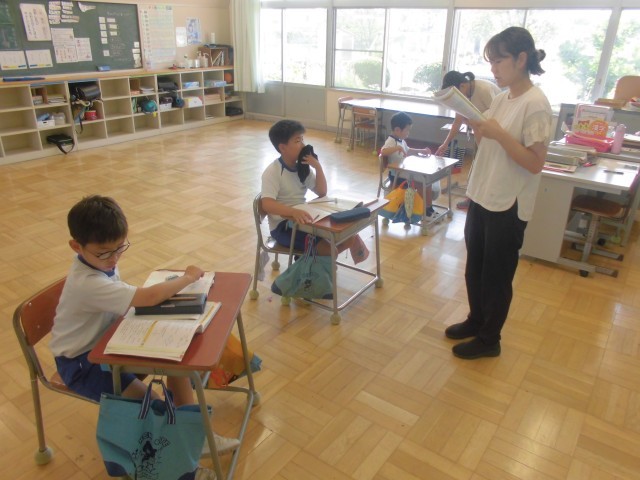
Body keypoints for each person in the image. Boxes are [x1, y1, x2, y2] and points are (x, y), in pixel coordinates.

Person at [49, 195, 239, 465]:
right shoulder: (86, 282)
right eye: (104, 252)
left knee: (175, 360)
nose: (114, 258)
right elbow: (148, 297)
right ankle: (178, 459)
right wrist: (187, 278)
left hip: (107, 343)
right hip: (82, 364)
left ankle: (195, 435)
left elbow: (131, 297)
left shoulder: (98, 262)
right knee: (151, 405)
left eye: (119, 248)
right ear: (76, 246)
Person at [444, 27, 552, 359]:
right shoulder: (502, 98)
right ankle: (477, 320)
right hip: (483, 193)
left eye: (498, 61)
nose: (493, 69)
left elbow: (535, 162)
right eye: (490, 62)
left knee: (496, 274)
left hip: (508, 202)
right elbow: (487, 143)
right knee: (475, 267)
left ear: (521, 59)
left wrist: (499, 134)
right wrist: (478, 127)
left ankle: (490, 339)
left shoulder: (536, 103)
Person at [261, 119, 369, 263]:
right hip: (283, 226)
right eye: (297, 141)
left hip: (303, 220)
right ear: (282, 148)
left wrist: (318, 167)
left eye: (302, 139)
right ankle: (313, 261)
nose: (303, 145)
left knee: (349, 237)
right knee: (330, 250)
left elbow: (321, 191)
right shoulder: (273, 171)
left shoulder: (302, 167)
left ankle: (313, 258)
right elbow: (267, 204)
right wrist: (293, 212)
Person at [435, 71, 502, 210]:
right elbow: (457, 122)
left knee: (488, 166)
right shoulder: (463, 95)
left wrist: (477, 126)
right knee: (478, 164)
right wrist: (445, 143)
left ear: (463, 85)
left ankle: (483, 199)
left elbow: (498, 116)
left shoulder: (484, 89)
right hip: (479, 131)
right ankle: (472, 198)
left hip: (496, 133)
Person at [379, 112, 436, 215]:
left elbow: (408, 150)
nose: (408, 133)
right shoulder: (391, 141)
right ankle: (423, 211)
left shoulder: (401, 140)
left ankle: (427, 208)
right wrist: (396, 148)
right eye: (407, 130)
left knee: (427, 181)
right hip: (397, 175)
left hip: (403, 172)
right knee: (423, 182)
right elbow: (383, 152)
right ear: (397, 130)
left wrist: (421, 150)